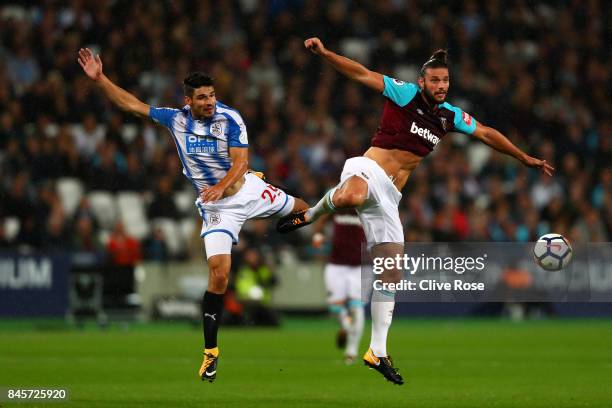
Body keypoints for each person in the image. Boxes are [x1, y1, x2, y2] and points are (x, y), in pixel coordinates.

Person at [277, 38, 555, 385]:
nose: (441, 86)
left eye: (445, 81)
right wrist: (324, 54)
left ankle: (377, 351)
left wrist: (523, 157)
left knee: (391, 272)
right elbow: (361, 74)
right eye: (435, 81)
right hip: (368, 168)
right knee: (351, 195)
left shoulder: (449, 116)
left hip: (391, 196)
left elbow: (485, 132)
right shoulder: (404, 93)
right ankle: (313, 213)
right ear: (422, 81)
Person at [77, 48, 309, 383]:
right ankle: (210, 354)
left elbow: (241, 163)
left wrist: (221, 186)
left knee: (305, 209)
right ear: (188, 101)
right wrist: (100, 80)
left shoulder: (230, 119)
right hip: (217, 210)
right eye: (202, 98)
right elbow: (132, 105)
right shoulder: (176, 119)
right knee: (219, 274)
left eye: (212, 96)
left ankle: (312, 224)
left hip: (246, 191)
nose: (209, 102)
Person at [312, 211, 366, 364]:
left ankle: (352, 351)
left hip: (358, 266)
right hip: (336, 265)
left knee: (357, 307)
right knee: (336, 308)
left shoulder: (366, 202)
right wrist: (318, 236)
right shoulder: (338, 199)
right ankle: (347, 326)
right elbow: (320, 217)